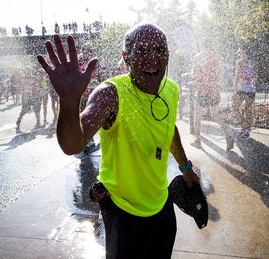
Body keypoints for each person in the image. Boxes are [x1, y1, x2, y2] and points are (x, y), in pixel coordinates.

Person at [37, 23, 200, 259]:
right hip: (121, 211)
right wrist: (69, 101)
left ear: (168, 56)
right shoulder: (110, 94)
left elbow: (169, 127)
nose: (152, 59)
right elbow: (73, 144)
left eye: (159, 50)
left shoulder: (171, 89)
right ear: (126, 58)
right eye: (141, 51)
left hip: (161, 204)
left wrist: (186, 168)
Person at [190, 38, 234, 151]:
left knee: (197, 116)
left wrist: (194, 76)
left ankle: (198, 140)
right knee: (215, 115)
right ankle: (228, 136)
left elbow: (194, 74)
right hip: (214, 90)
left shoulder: (197, 57)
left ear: (201, 45)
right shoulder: (215, 57)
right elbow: (220, 74)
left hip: (201, 90)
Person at [231, 45, 257, 139]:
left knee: (234, 108)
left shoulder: (239, 62)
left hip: (241, 89)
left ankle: (243, 129)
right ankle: (247, 132)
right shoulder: (253, 62)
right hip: (251, 89)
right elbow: (255, 76)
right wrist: (253, 87)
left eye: (239, 52)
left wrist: (234, 89)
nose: (238, 54)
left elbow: (237, 76)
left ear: (243, 52)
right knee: (248, 110)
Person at [15, 66, 42, 132]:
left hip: (34, 95)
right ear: (24, 72)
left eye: (29, 71)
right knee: (25, 109)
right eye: (26, 71)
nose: (28, 72)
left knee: (37, 109)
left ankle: (38, 122)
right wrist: (22, 93)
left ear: (31, 71)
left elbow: (37, 86)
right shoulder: (23, 79)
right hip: (26, 96)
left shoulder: (34, 78)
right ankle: (19, 120)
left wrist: (36, 91)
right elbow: (21, 88)